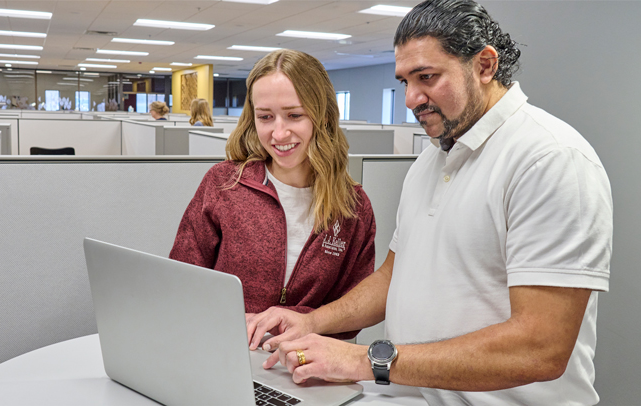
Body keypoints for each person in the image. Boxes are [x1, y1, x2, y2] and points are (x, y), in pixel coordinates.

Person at [245, 1, 613, 405]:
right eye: (404, 81)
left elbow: (540, 347)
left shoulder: (550, 159)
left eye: (427, 77)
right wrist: (310, 321)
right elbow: (394, 276)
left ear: (485, 66)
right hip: (413, 395)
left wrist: (367, 361)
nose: (410, 98)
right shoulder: (432, 159)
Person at [169, 49, 376, 338]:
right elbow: (180, 279)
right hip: (226, 347)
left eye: (294, 115)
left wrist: (296, 320)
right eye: (266, 117)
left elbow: (353, 309)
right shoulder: (224, 184)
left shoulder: (353, 207)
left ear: (324, 117)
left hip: (308, 365)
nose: (279, 134)